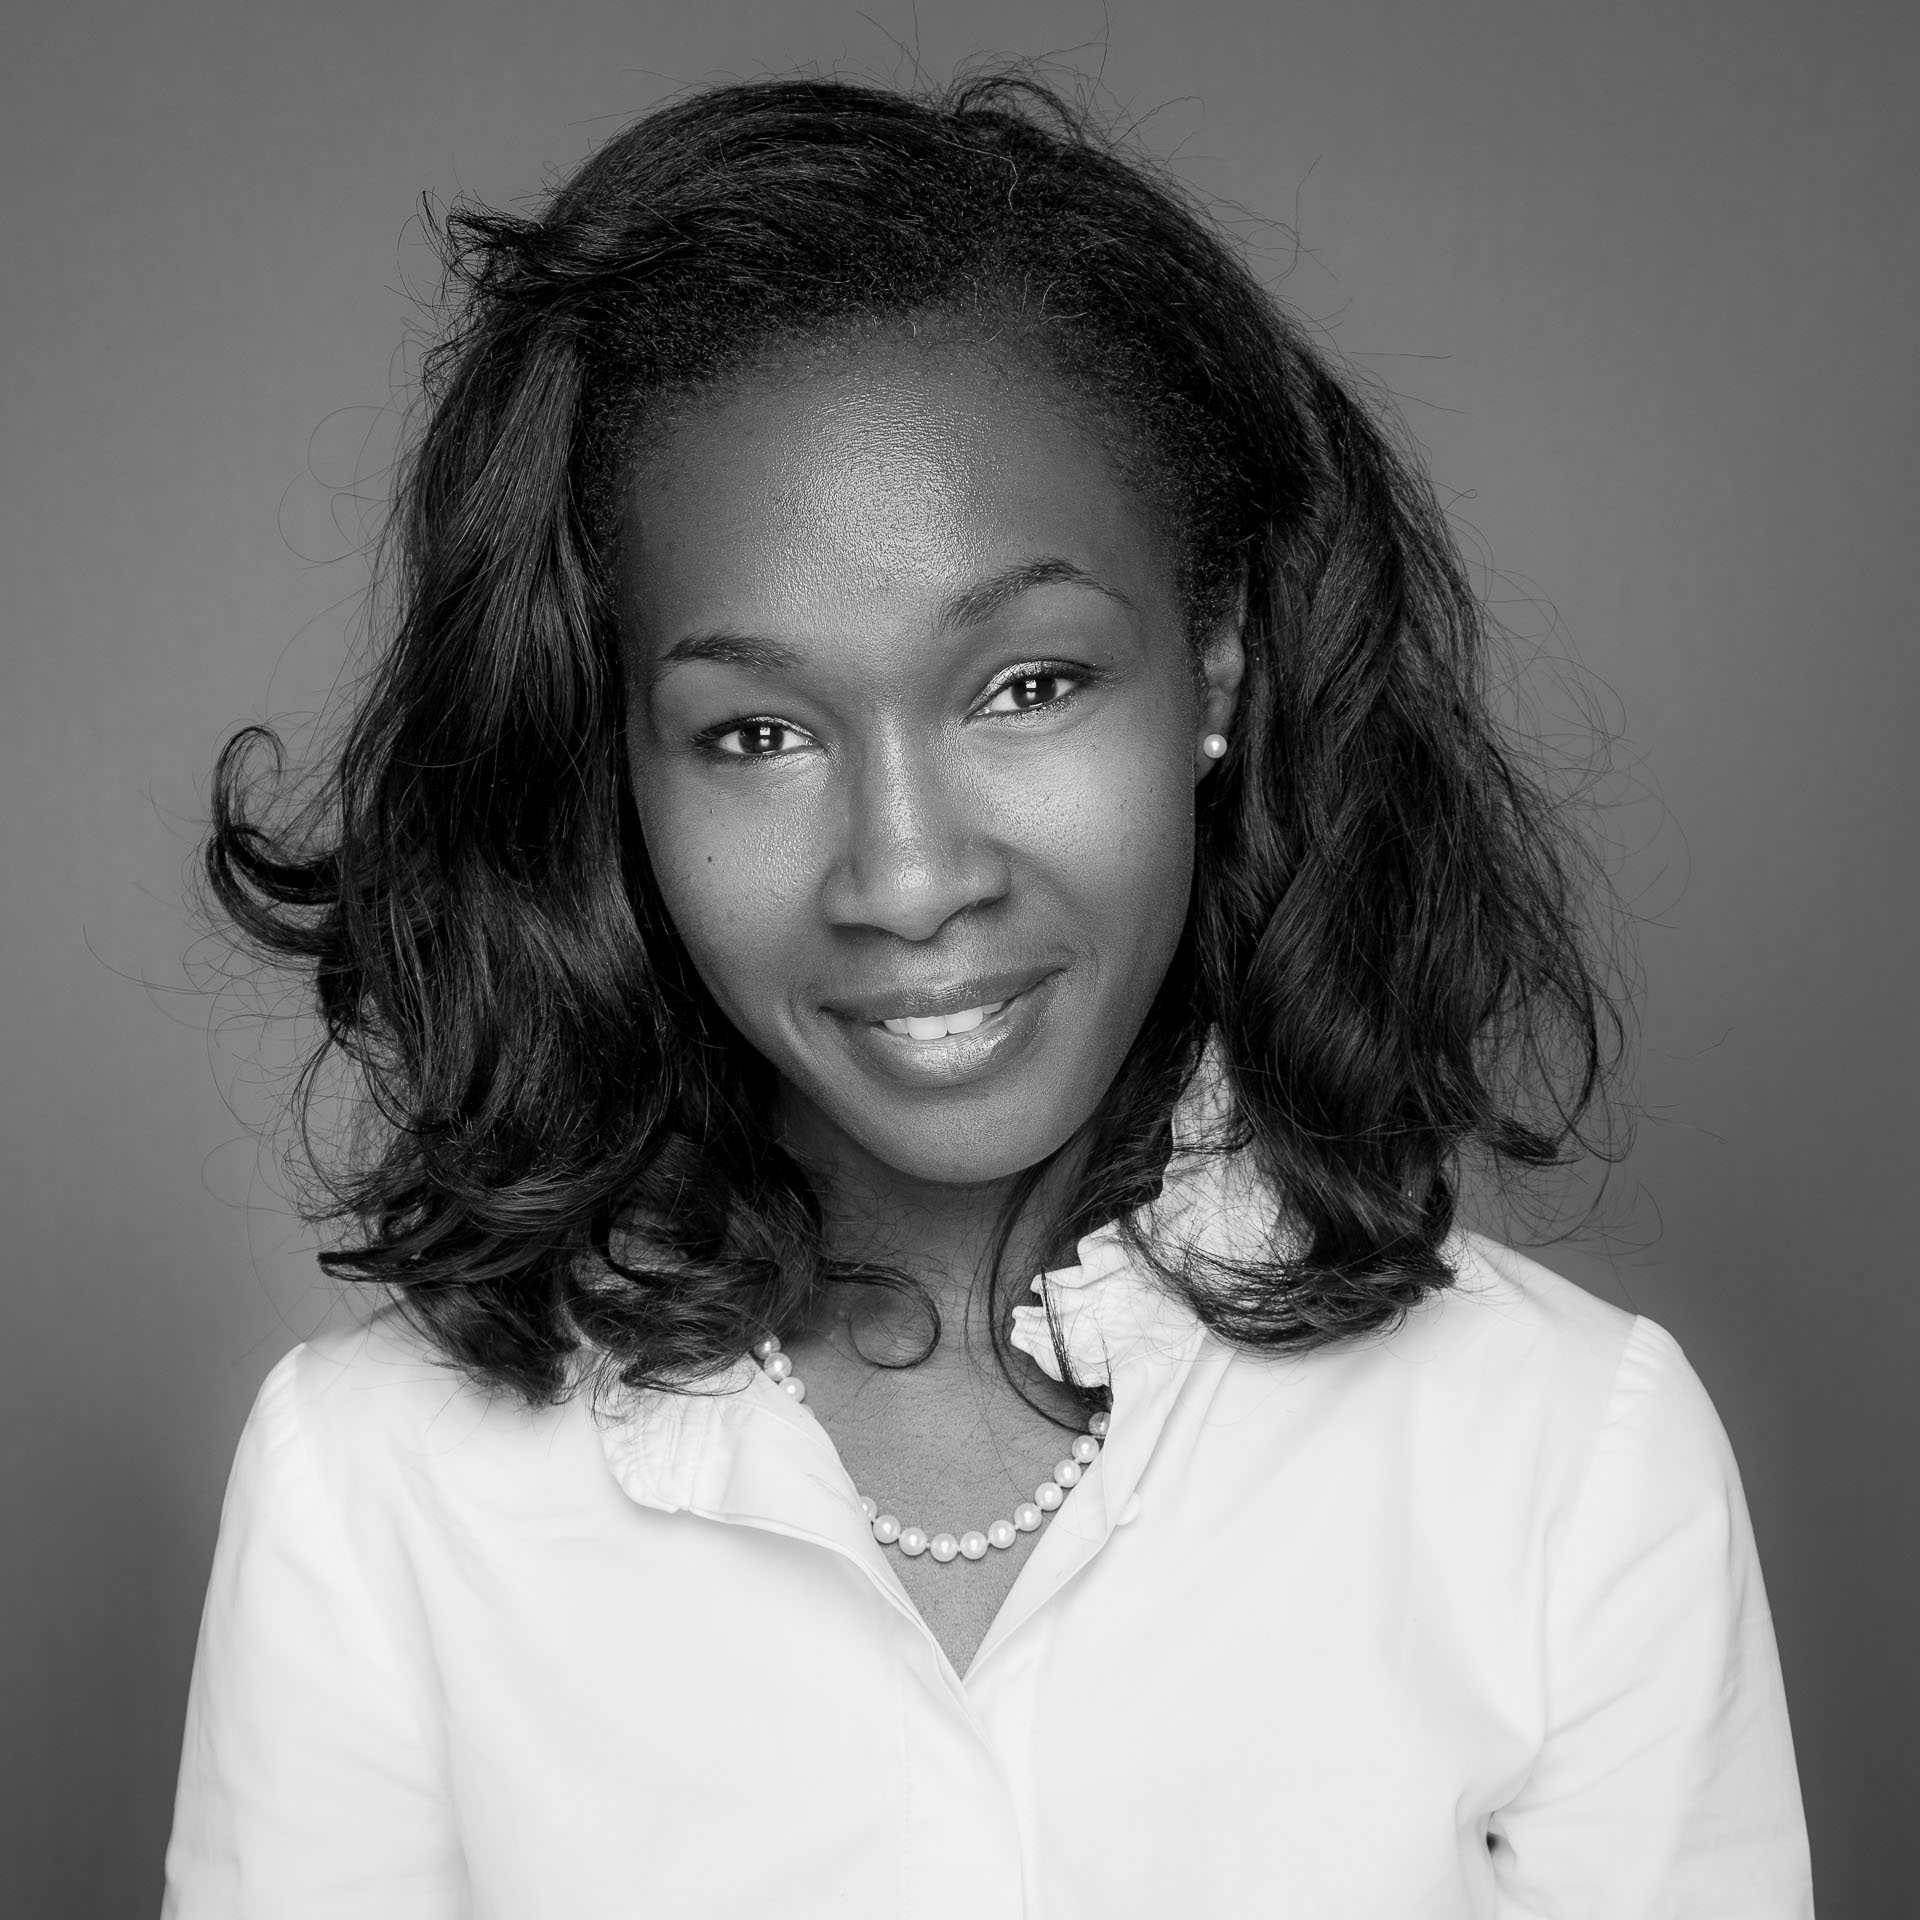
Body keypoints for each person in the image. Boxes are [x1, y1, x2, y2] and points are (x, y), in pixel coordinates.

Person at [163, 72, 1812, 1918]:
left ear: (1214, 662)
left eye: (1027, 685)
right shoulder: (373, 1493)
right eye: (756, 731)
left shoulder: (1567, 1458)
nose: (908, 874)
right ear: (613, 765)